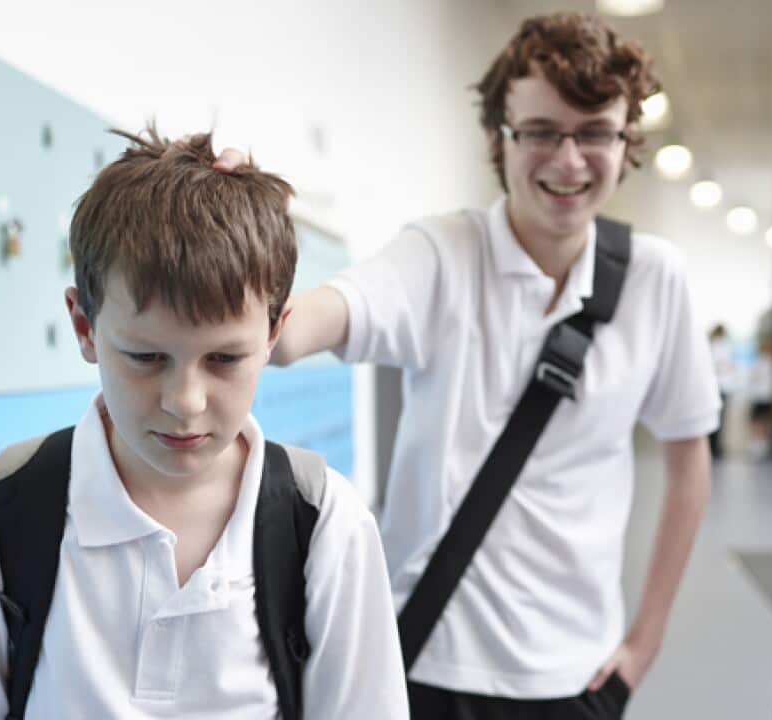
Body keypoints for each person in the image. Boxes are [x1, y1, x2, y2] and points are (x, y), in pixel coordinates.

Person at [226, 12, 720, 718]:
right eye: (542, 132)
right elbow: (308, 325)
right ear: (499, 137)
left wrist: (645, 643)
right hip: (424, 653)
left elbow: (688, 452)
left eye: (594, 133)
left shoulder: (654, 279)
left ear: (625, 139)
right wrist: (232, 237)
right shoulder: (443, 255)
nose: (569, 160)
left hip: (577, 673)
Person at [0, 130, 408, 719]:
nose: (185, 402)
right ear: (85, 327)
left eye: (224, 359)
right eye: (146, 358)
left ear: (273, 333)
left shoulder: (325, 527)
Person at [708, 323, 735, 458]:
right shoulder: (714, 347)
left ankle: (715, 447)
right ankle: (713, 447)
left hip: (721, 386)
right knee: (715, 419)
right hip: (717, 387)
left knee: (716, 419)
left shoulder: (721, 347)